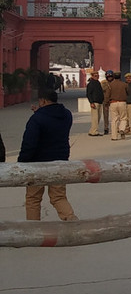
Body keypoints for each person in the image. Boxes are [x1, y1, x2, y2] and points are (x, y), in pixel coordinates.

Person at [21, 89, 78, 222]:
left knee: (33, 199)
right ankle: (71, 220)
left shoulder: (36, 119)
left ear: (43, 101)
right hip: (60, 161)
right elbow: (52, 124)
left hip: (37, 164)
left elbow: (29, 144)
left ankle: (34, 229)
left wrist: (22, 162)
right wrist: (40, 113)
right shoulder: (67, 115)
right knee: (58, 197)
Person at [105, 69, 129, 139]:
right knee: (123, 118)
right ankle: (121, 129)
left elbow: (107, 95)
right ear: (120, 76)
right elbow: (128, 92)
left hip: (113, 103)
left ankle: (114, 136)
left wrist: (106, 103)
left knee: (114, 120)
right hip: (122, 102)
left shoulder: (110, 85)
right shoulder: (124, 84)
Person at [86, 71, 105, 136]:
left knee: (98, 117)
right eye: (95, 76)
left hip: (100, 102)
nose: (97, 77)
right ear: (92, 76)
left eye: (97, 75)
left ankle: (92, 130)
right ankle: (94, 131)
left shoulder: (98, 83)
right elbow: (88, 94)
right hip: (94, 102)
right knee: (95, 118)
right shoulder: (90, 84)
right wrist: (91, 102)